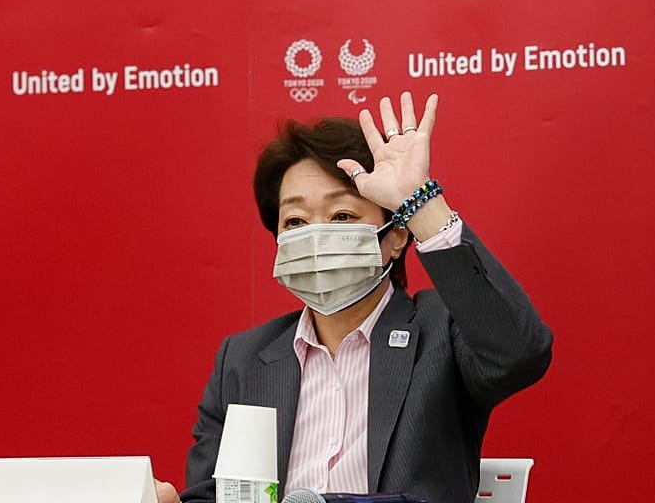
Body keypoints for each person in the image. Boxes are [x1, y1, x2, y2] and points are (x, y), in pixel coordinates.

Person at [155, 91, 551, 503]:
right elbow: (213, 494)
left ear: (396, 235)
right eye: (295, 221)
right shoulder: (243, 359)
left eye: (342, 216)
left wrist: (421, 206)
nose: (314, 235)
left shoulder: (442, 328)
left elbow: (520, 353)